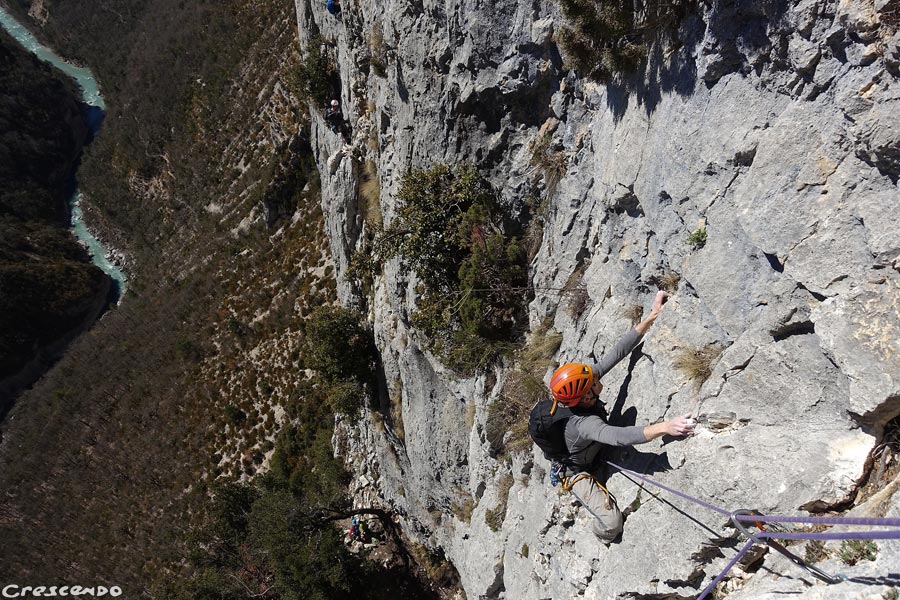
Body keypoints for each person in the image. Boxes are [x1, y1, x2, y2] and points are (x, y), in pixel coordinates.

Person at [530, 290, 695, 543]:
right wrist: (665, 427)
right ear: (585, 397)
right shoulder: (584, 424)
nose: (597, 378)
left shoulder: (582, 387)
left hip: (590, 449)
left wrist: (651, 317)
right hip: (577, 471)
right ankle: (597, 533)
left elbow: (616, 353)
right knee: (612, 524)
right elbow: (618, 436)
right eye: (592, 382)